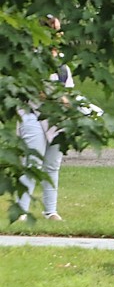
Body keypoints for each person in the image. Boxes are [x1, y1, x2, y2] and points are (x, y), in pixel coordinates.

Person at [16, 15, 72, 221]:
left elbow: (68, 90)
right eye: (55, 30)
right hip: (32, 114)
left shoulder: (62, 64)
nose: (60, 34)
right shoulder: (33, 59)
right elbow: (35, 90)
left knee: (52, 164)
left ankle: (51, 211)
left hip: (56, 117)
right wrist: (59, 97)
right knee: (32, 162)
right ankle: (21, 210)